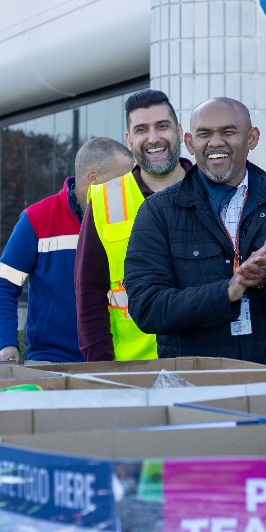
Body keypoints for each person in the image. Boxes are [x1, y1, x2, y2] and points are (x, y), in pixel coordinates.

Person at [124, 97, 266, 369]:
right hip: (196, 384)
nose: (215, 143)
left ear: (252, 138)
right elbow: (147, 306)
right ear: (189, 142)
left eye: (228, 132)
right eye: (204, 134)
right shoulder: (158, 212)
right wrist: (226, 293)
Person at [0, 137, 134, 364]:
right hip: (50, 359)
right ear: (93, 178)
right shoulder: (38, 218)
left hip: (113, 357)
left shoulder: (127, 217)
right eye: (122, 180)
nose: (129, 187)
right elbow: (3, 284)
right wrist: (7, 344)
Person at [75, 89, 192, 362]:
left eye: (162, 126)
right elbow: (89, 293)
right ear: (129, 139)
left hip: (203, 362)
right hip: (132, 370)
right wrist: (101, 371)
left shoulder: (212, 192)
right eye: (141, 129)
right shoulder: (105, 199)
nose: (153, 138)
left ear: (178, 131)